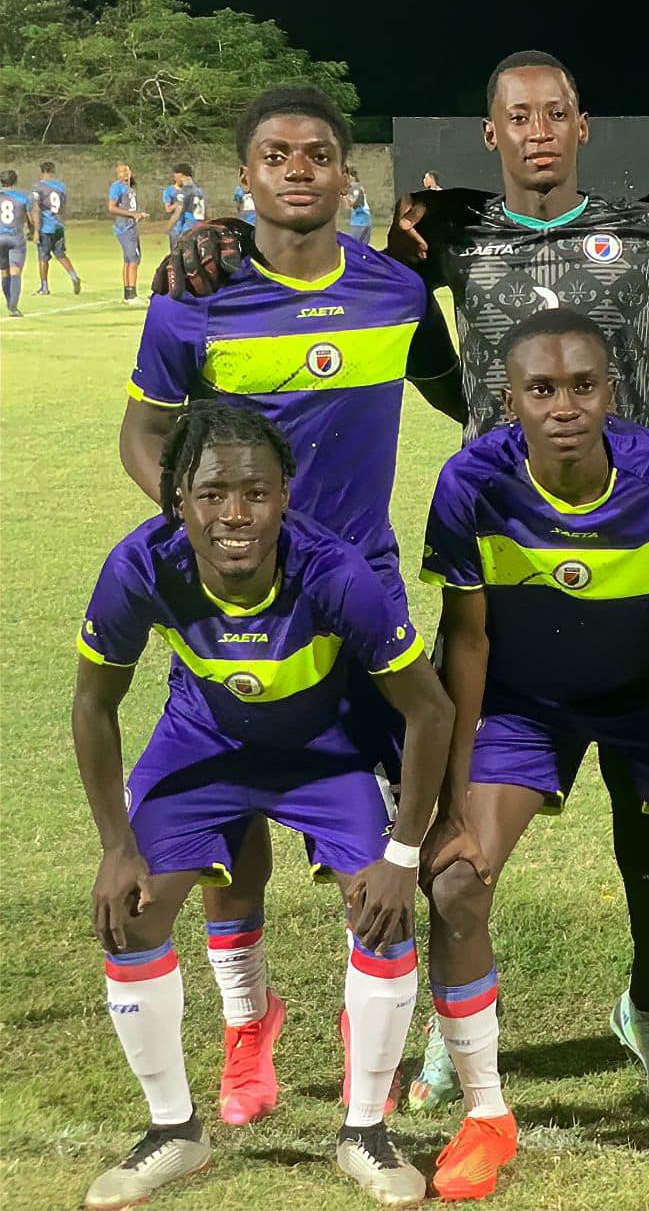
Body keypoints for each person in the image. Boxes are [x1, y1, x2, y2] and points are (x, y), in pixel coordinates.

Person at [150, 49, 649, 1115]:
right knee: (460, 772)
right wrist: (216, 234)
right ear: (491, 133)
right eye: (521, 115)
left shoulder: (647, 231)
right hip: (500, 541)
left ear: (584, 125)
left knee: (644, 782)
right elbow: (364, 295)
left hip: (636, 532)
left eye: (559, 111)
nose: (541, 129)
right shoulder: (443, 232)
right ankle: (440, 1025)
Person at [118, 85, 442, 1131]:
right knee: (232, 818)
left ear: (348, 176)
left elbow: (461, 382)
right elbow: (144, 431)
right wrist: (201, 529)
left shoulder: (396, 288)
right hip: (235, 602)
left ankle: (374, 1016)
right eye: (274, 153)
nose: (298, 167)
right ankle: (247, 1022)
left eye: (317, 153)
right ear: (245, 176)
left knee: (400, 833)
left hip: (366, 599)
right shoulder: (195, 295)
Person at [417, 309, 649, 1201]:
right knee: (455, 881)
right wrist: (450, 802)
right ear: (509, 402)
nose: (564, 405)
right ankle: (486, 1115)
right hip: (527, 704)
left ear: (612, 394)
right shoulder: (470, 484)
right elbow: (465, 642)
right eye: (542, 389)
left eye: (583, 387)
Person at [74, 404, 454, 1209]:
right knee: (134, 912)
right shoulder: (141, 566)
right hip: (201, 745)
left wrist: (401, 854)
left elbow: (432, 711)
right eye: (213, 493)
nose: (235, 515)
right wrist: (116, 842)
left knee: (382, 916)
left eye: (256, 491)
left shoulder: (335, 571)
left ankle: (365, 1133)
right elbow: (92, 703)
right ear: (179, 497)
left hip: (323, 750)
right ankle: (173, 1131)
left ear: (287, 494)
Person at [32, 159, 80, 295]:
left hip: (45, 227)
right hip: (58, 225)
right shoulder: (61, 186)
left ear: (42, 171)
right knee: (60, 254)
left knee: (43, 257)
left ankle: (44, 287)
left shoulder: (38, 187)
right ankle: (74, 276)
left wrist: (35, 230)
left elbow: (36, 208)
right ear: (53, 171)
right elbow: (63, 206)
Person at [107, 163, 150, 302]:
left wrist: (138, 215)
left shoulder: (130, 188)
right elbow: (112, 208)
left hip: (131, 227)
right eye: (121, 171)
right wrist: (132, 215)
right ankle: (132, 296)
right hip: (124, 228)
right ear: (117, 174)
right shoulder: (117, 187)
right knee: (134, 260)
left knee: (128, 260)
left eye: (126, 170)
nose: (125, 173)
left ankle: (128, 294)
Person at [0, 168, 30, 317]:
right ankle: (13, 306)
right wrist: (34, 232)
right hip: (16, 238)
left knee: (4, 272)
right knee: (15, 272)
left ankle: (8, 301)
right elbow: (30, 217)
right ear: (15, 181)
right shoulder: (22, 198)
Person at [166, 165, 204, 249]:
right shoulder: (199, 190)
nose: (175, 179)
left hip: (187, 229)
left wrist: (167, 228)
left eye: (175, 176)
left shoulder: (184, 192)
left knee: (179, 258)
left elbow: (178, 212)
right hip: (199, 228)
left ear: (181, 175)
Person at [345, 168, 374, 245]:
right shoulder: (360, 187)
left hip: (359, 220)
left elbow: (353, 203)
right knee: (364, 247)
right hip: (367, 219)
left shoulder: (354, 187)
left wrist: (344, 198)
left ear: (352, 176)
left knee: (354, 245)